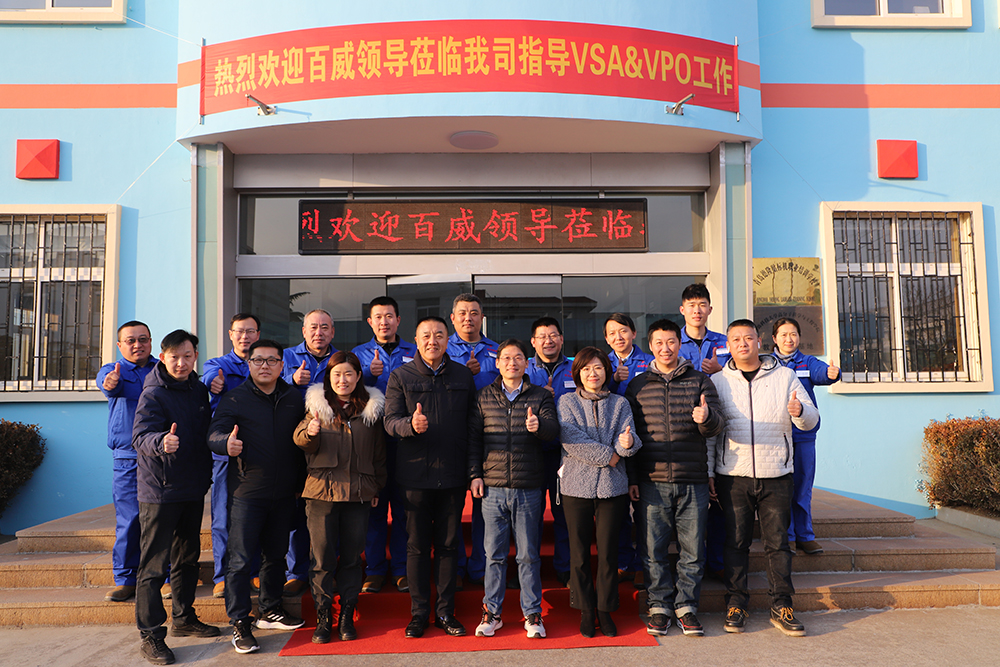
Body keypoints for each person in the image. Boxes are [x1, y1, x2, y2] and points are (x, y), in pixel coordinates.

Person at [711, 319, 818, 637]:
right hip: (734, 475)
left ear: (759, 341)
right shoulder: (718, 381)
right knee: (735, 543)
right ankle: (736, 603)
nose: (742, 344)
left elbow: (811, 419)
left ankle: (782, 605)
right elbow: (710, 436)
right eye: (735, 339)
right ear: (728, 346)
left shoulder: (785, 377)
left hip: (777, 474)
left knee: (778, 544)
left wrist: (799, 412)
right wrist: (709, 473)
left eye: (748, 338)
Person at [625, 319, 724, 637]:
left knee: (692, 550)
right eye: (659, 342)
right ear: (650, 346)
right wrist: (633, 478)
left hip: (692, 479)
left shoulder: (699, 381)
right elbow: (630, 435)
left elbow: (718, 424)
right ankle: (659, 607)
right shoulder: (637, 385)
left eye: (671, 342)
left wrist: (706, 418)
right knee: (652, 549)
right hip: (651, 480)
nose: (665, 348)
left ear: (679, 344)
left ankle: (687, 607)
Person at [208, 339, 306, 654]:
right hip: (247, 492)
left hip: (284, 493)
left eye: (272, 360)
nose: (265, 366)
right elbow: (213, 434)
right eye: (258, 360)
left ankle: (270, 609)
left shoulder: (293, 398)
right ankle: (240, 621)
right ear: (249, 364)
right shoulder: (235, 398)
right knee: (239, 560)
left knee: (276, 555)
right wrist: (225, 444)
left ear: (282, 365)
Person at [384, 316, 477, 639]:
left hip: (452, 475)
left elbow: (473, 426)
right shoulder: (401, 375)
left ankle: (446, 612)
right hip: (415, 476)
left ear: (448, 340)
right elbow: (389, 421)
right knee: (417, 547)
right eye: (426, 335)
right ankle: (419, 613)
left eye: (439, 335)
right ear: (416, 339)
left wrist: (472, 470)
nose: (432, 341)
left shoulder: (462, 375)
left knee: (449, 546)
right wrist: (410, 426)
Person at [132, 330, 218, 665]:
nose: (181, 363)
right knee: (154, 565)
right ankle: (151, 635)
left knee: (187, 558)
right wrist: (160, 442)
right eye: (174, 357)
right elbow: (140, 436)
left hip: (191, 487)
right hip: (160, 490)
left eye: (187, 356)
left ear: (195, 356)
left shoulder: (197, 388)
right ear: (163, 357)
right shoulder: (153, 393)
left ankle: (184, 618)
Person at [295, 351, 387, 643]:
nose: (342, 380)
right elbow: (300, 440)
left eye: (348, 374)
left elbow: (379, 455)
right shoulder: (317, 407)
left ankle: (347, 614)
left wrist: (375, 487)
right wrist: (310, 432)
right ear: (329, 378)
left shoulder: (370, 411)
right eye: (337, 374)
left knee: (351, 559)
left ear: (358, 376)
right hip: (321, 493)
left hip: (358, 495)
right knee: (322, 559)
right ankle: (324, 616)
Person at [469, 339, 559, 639]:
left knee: (528, 555)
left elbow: (553, 431)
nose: (512, 363)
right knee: (493, 554)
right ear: (497, 363)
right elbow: (474, 440)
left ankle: (532, 613)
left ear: (526, 362)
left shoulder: (540, 395)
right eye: (506, 358)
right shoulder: (484, 397)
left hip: (528, 486)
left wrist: (539, 427)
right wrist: (475, 475)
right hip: (492, 487)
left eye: (518, 357)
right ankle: (492, 612)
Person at [557, 346, 641, 638]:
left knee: (608, 553)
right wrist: (610, 456)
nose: (592, 374)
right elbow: (570, 438)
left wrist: (626, 445)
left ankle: (605, 609)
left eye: (598, 367)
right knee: (579, 553)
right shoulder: (567, 401)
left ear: (607, 371)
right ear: (577, 374)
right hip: (575, 487)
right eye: (586, 369)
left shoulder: (620, 403)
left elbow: (630, 436)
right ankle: (585, 610)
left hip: (612, 488)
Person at [352, 296, 416, 594]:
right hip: (371, 440)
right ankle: (375, 570)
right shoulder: (357, 354)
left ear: (398, 320)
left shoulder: (413, 352)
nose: (384, 322)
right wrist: (367, 375)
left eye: (389, 316)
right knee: (374, 509)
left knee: (403, 509)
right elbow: (344, 388)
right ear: (370, 322)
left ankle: (402, 569)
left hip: (405, 441)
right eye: (378, 317)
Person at [201, 313, 261, 599]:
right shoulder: (218, 365)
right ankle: (223, 575)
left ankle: (254, 571)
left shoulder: (265, 363)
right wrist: (214, 383)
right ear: (230, 334)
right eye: (239, 331)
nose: (244, 336)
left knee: (257, 514)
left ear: (258, 335)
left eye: (250, 331)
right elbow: (209, 378)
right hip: (226, 452)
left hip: (260, 451)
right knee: (223, 516)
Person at [98, 321, 157, 603]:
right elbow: (108, 385)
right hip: (128, 457)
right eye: (131, 340)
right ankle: (125, 579)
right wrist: (111, 383)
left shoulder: (163, 369)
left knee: (161, 519)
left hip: (160, 454)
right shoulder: (113, 370)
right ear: (120, 345)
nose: (137, 345)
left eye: (143, 339)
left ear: (151, 342)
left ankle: (164, 576)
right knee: (130, 519)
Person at [770, 317, 841, 555]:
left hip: (803, 435)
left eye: (793, 334)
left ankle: (804, 535)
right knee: (781, 488)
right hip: (775, 436)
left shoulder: (807, 362)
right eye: (783, 335)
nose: (789, 339)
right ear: (774, 339)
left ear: (799, 337)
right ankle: (787, 536)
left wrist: (832, 373)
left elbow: (822, 374)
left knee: (802, 486)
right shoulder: (767, 364)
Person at [281, 309, 338, 596]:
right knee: (296, 512)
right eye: (313, 327)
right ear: (303, 331)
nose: (319, 332)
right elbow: (266, 386)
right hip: (292, 442)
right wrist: (291, 380)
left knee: (329, 511)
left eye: (324, 327)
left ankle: (329, 569)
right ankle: (296, 572)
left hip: (331, 445)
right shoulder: (285, 358)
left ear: (332, 332)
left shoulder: (341, 359)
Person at [677, 283, 730, 581]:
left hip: (719, 425)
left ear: (710, 309)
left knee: (718, 499)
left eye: (702, 304)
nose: (697, 310)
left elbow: (742, 373)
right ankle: (688, 563)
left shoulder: (725, 343)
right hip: (683, 431)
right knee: (687, 504)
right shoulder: (673, 342)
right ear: (682, 309)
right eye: (691, 304)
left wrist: (721, 370)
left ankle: (718, 562)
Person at [446, 293, 499, 586]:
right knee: (452, 508)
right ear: (453, 318)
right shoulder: (441, 348)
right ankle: (455, 568)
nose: (469, 318)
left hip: (489, 438)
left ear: (482, 318)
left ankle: (480, 568)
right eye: (463, 313)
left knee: (485, 508)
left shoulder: (497, 351)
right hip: (453, 435)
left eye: (474, 313)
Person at [525, 317, 574, 586]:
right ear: (533, 342)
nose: (548, 341)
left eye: (553, 335)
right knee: (530, 516)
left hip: (565, 453)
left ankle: (565, 567)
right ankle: (529, 571)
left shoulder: (576, 367)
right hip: (531, 453)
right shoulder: (523, 368)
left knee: (564, 513)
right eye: (542, 336)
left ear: (562, 339)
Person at [603, 313, 652, 581]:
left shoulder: (649, 361)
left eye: (623, 331)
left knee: (644, 509)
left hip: (643, 440)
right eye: (612, 333)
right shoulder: (600, 363)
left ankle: (643, 564)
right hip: (612, 444)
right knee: (619, 508)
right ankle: (623, 559)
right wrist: (613, 380)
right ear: (606, 339)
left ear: (633, 333)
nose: (618, 337)